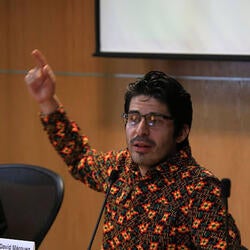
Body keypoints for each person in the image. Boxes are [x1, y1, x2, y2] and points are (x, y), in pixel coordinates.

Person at [25, 49, 242, 249]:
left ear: (181, 132)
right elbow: (80, 158)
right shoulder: (119, 167)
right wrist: (47, 101)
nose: (140, 131)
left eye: (154, 120)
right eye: (133, 118)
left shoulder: (199, 190)